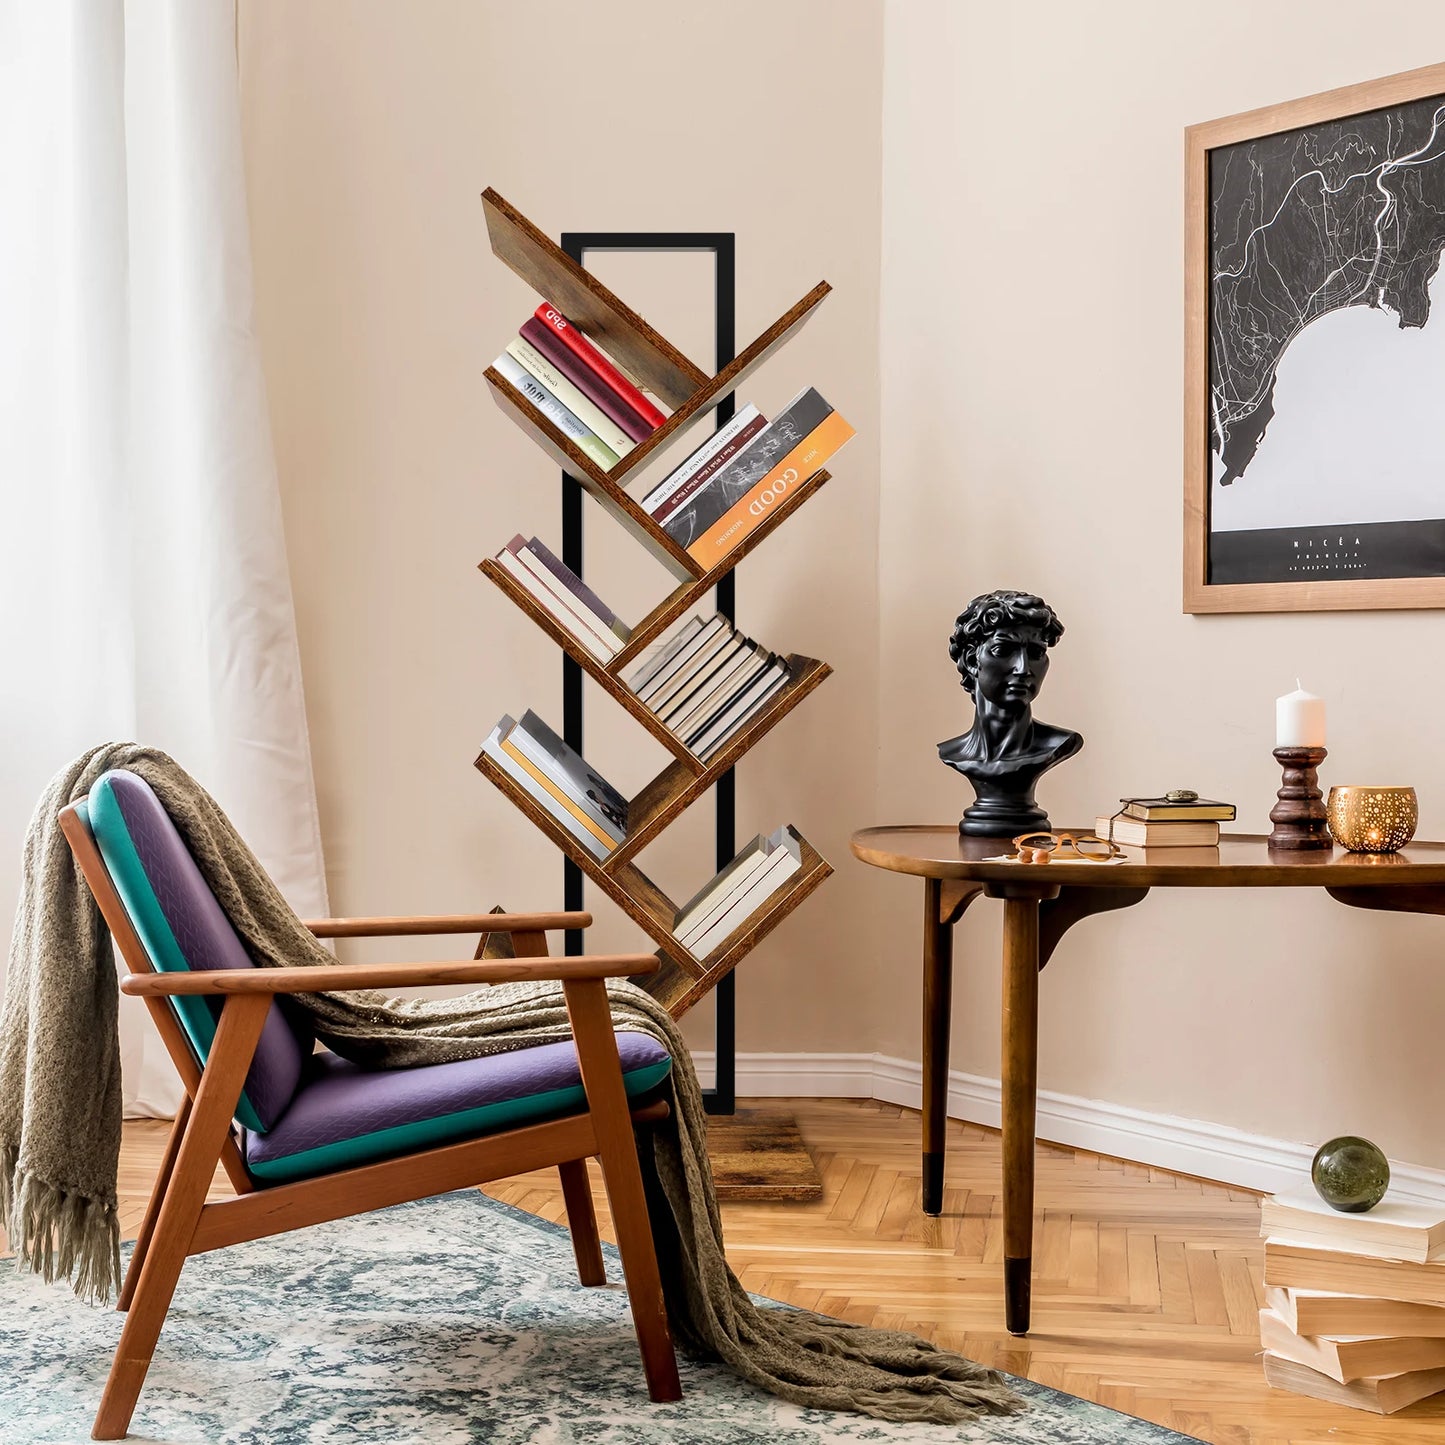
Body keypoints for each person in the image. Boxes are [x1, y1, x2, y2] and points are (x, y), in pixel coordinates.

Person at [938, 590, 1082, 836]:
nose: (1023, 668)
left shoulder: (1059, 744)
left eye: (1036, 653)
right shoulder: (954, 752)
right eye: (1004, 650)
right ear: (972, 660)